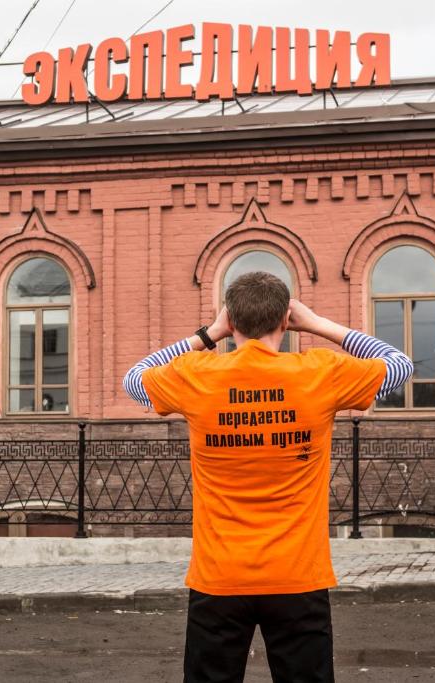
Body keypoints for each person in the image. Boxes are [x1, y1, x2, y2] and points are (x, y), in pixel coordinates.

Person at [123, 271, 413, 682]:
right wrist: (318, 324)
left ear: (231, 320)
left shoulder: (197, 374)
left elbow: (134, 379)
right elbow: (400, 366)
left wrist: (209, 334)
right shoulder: (319, 371)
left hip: (219, 576)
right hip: (297, 575)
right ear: (285, 319)